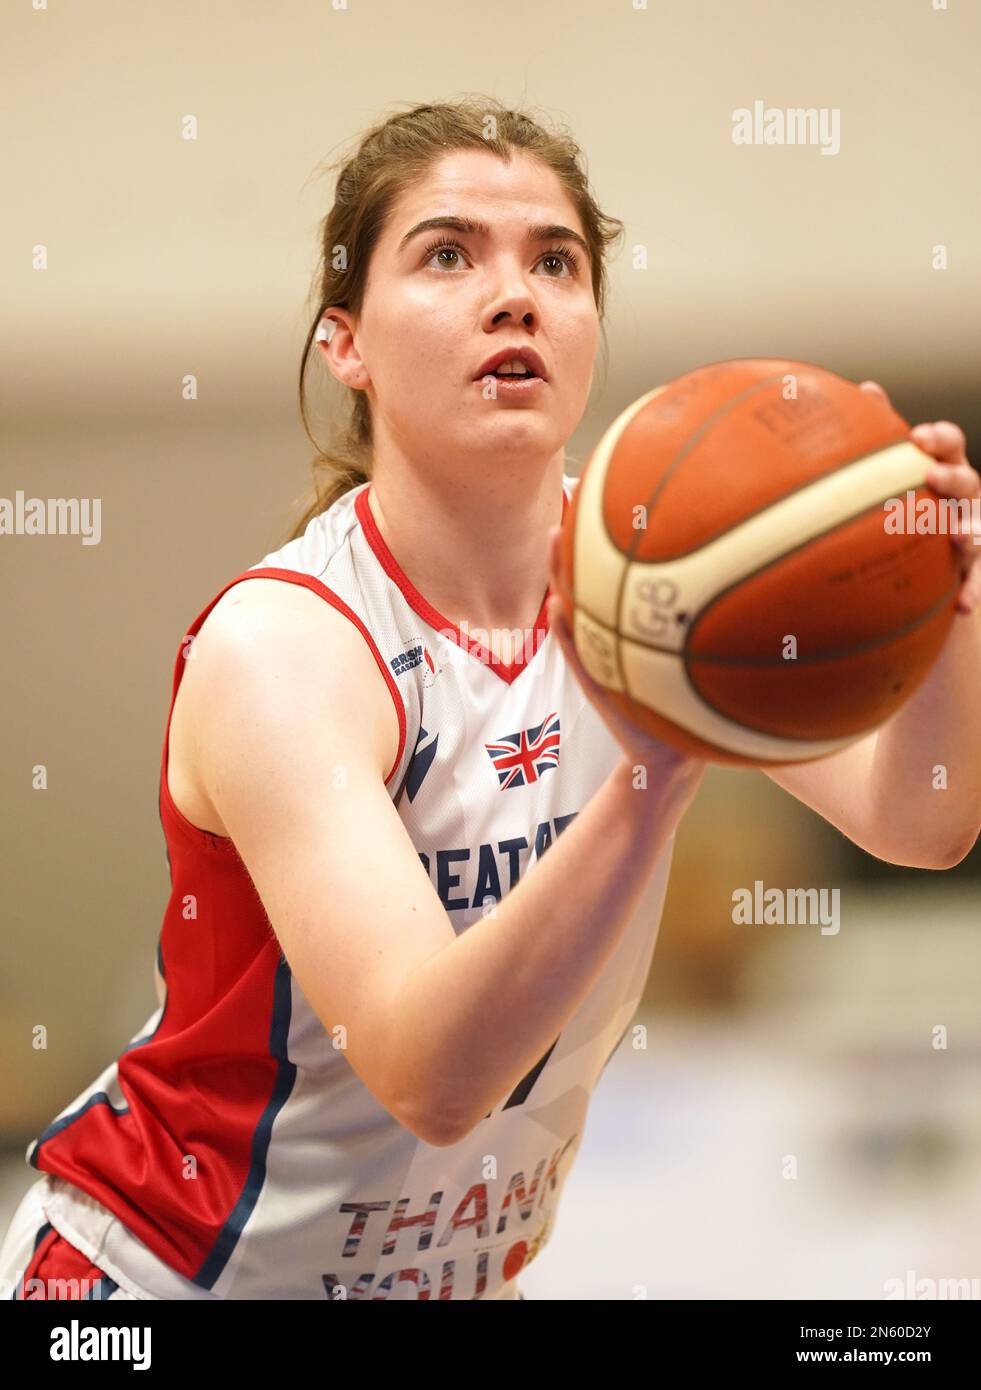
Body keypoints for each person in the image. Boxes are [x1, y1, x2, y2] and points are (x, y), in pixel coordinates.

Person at [3, 96, 977, 1303]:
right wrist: (654, 773)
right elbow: (433, 1076)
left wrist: (943, 604)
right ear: (344, 342)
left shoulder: (662, 572)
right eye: (449, 253)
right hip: (163, 1281)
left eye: (555, 262)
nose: (513, 293)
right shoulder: (288, 648)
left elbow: (924, 821)